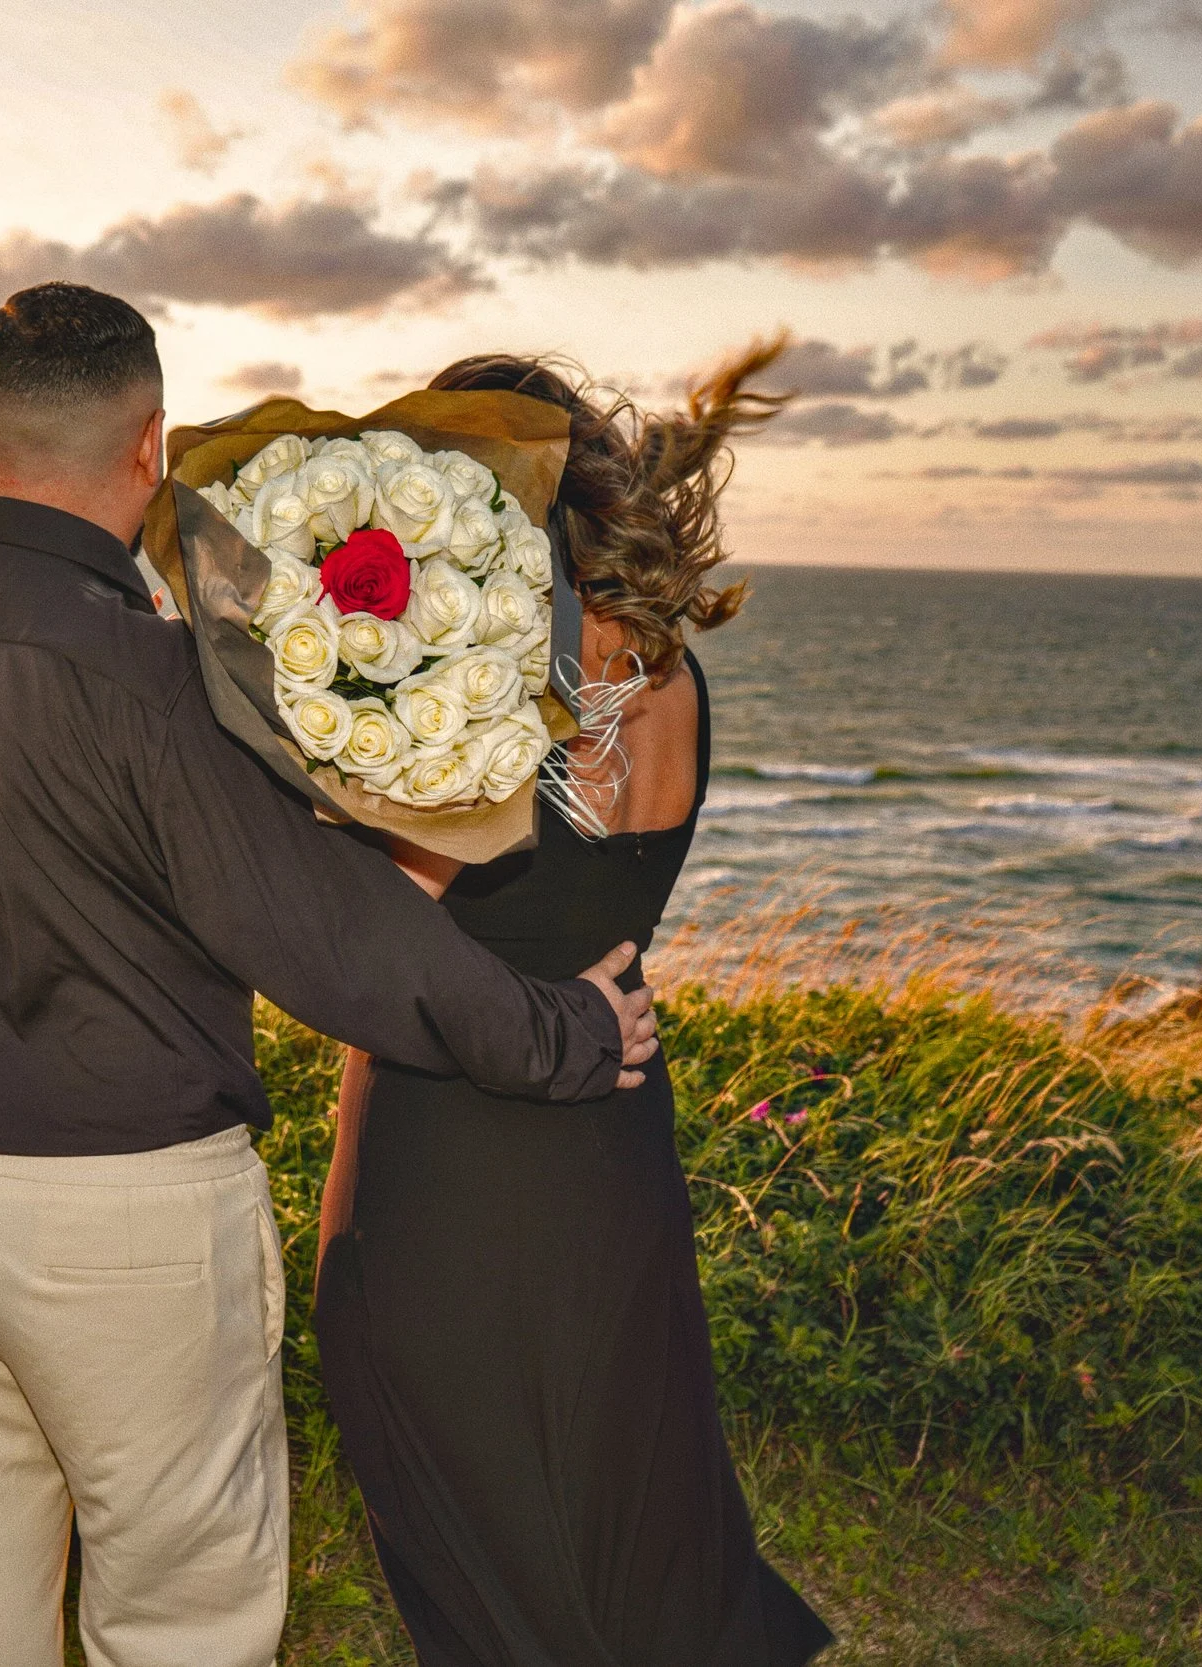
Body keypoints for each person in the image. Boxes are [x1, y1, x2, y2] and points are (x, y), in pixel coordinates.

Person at [0, 282, 660, 1667]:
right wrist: (569, 1033)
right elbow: (333, 938)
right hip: (129, 1218)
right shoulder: (170, 681)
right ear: (150, 448)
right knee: (181, 1618)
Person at [314, 347, 836, 1666]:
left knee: (485, 1557)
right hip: (616, 1143)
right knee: (632, 1517)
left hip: (454, 1160)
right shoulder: (665, 675)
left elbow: (382, 934)